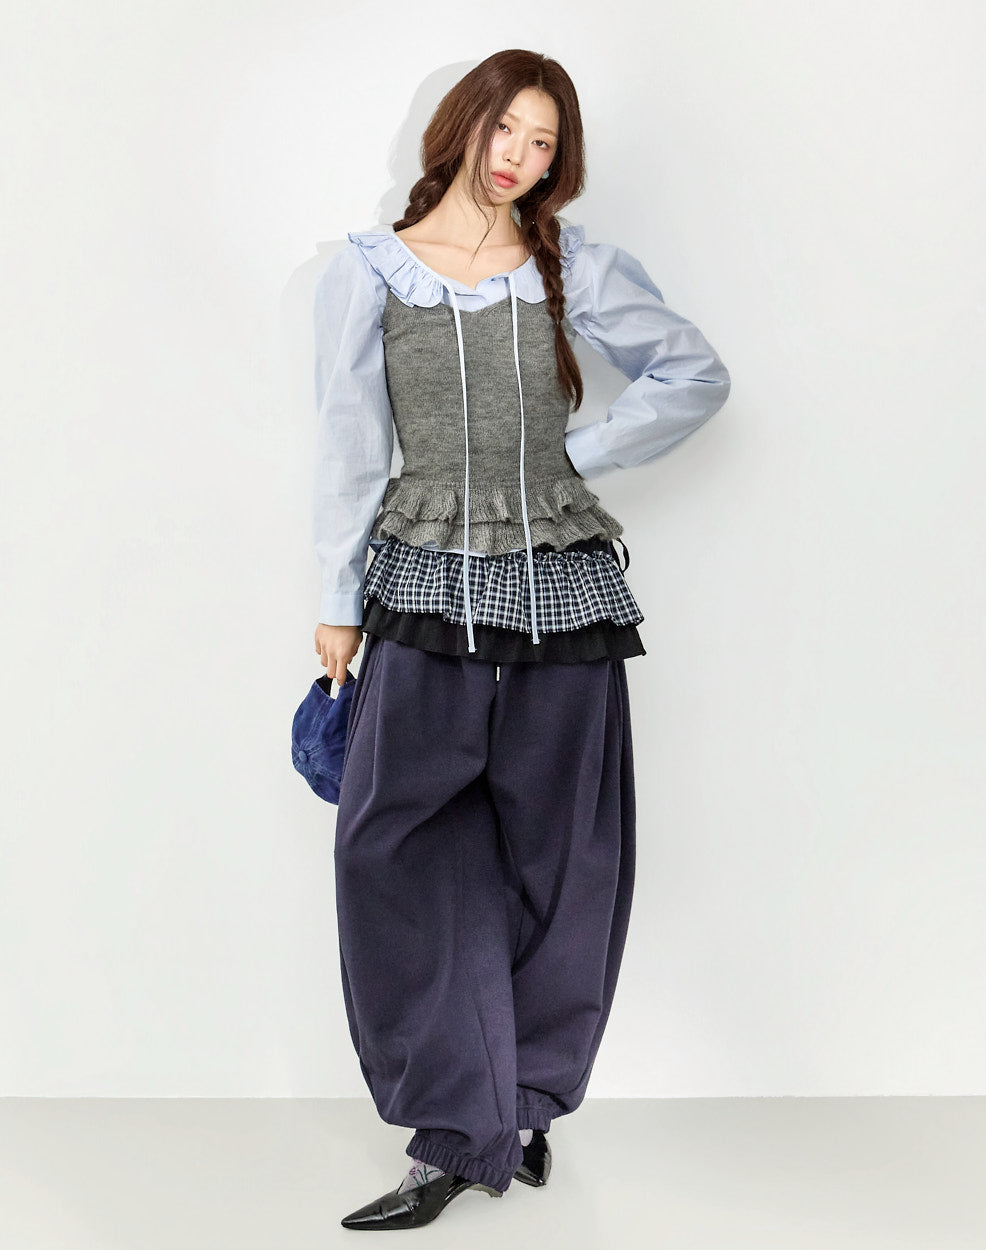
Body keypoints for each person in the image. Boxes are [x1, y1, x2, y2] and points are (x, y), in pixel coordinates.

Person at [310, 49, 731, 1231]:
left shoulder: (571, 266)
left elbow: (693, 373)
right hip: (421, 583)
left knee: (566, 855)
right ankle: (461, 1116)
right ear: (464, 123)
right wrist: (336, 601)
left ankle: (520, 1108)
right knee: (390, 845)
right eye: (508, 128)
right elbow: (348, 445)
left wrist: (569, 457)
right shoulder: (370, 270)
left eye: (544, 143)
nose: (520, 157)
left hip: (565, 596)